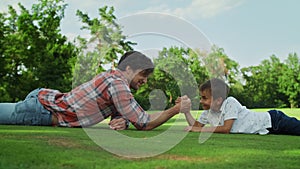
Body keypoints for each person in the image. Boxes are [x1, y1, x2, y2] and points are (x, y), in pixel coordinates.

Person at [0, 51, 191, 130]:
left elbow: (127, 113)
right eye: (143, 75)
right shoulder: (117, 84)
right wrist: (175, 110)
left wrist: (122, 119)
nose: (145, 81)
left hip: (44, 100)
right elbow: (143, 123)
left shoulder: (115, 80)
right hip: (41, 110)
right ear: (129, 69)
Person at [183, 78, 300, 135]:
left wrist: (200, 130)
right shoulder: (208, 112)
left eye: (204, 98)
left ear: (218, 100)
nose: (201, 101)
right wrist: (186, 112)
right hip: (268, 130)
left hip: (274, 120)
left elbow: (226, 129)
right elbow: (195, 126)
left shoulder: (230, 103)